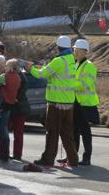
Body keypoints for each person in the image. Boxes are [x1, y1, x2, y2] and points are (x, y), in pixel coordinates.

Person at [25, 35, 79, 167]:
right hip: (69, 103)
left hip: (56, 103)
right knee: (67, 134)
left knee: (52, 132)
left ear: (58, 47)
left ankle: (48, 159)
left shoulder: (58, 61)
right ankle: (73, 159)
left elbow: (41, 74)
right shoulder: (72, 60)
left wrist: (30, 69)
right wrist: (42, 67)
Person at [72, 39, 99, 166]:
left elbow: (85, 84)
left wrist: (69, 85)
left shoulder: (89, 66)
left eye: (77, 50)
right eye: (74, 50)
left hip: (85, 104)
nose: (75, 52)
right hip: (75, 102)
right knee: (74, 131)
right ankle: (72, 155)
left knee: (85, 131)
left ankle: (87, 158)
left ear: (84, 52)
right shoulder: (74, 64)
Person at [0, 59, 21, 161]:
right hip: (10, 103)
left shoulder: (6, 76)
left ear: (10, 67)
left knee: (2, 128)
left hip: (3, 103)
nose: (5, 67)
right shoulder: (18, 77)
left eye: (7, 65)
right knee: (5, 126)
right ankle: (5, 152)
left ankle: (2, 152)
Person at [8, 62, 30, 160]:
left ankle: (9, 153)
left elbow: (16, 94)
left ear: (12, 68)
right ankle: (17, 154)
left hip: (16, 108)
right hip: (21, 108)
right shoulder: (23, 77)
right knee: (18, 133)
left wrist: (14, 98)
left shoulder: (15, 78)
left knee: (12, 131)